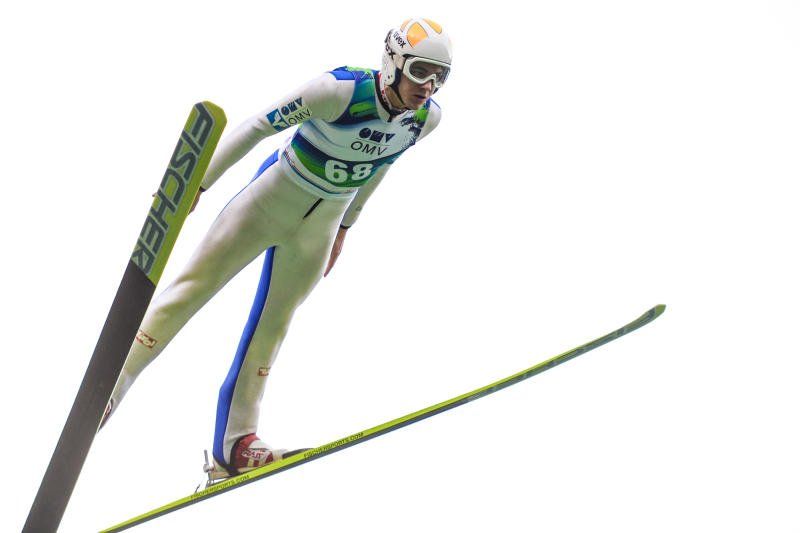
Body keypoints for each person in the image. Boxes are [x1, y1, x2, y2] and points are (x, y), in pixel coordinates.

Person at [101, 17, 453, 479]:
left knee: (273, 329)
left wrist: (346, 227)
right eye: (421, 71)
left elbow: (381, 166)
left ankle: (236, 444)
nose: (428, 86)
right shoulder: (337, 91)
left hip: (319, 228)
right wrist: (198, 185)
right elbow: (257, 127)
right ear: (393, 62)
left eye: (440, 76)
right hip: (268, 202)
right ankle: (109, 388)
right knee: (189, 292)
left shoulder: (425, 120)